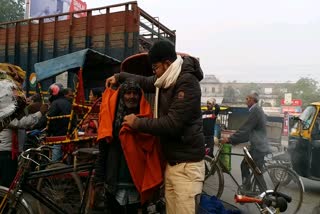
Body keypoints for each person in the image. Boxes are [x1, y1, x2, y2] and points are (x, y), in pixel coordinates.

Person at [106, 41, 205, 214]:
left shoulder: (187, 82)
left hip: (186, 166)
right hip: (172, 163)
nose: (154, 72)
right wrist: (120, 76)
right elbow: (144, 81)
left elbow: (173, 123)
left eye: (155, 67)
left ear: (167, 64)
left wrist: (137, 123)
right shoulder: (165, 79)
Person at [96, 79, 163, 213]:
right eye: (128, 93)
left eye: (135, 93)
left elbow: (152, 149)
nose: (132, 97)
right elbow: (103, 150)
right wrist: (98, 179)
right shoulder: (111, 119)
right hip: (114, 178)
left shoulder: (146, 120)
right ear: (121, 96)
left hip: (136, 181)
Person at [222, 92, 271, 191]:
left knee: (251, 169)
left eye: (247, 99)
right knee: (252, 169)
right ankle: (253, 191)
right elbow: (249, 131)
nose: (246, 101)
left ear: (253, 100)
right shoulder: (257, 110)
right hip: (258, 145)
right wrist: (235, 139)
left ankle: (255, 192)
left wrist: (230, 139)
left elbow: (246, 129)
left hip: (259, 147)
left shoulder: (256, 110)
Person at [0, 107, 47, 187]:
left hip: (9, 151)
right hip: (5, 152)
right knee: (7, 183)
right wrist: (39, 113)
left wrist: (28, 110)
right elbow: (19, 122)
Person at [35, 83, 72, 161]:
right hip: (68, 133)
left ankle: (53, 167)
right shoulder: (68, 102)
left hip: (58, 134)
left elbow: (47, 117)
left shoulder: (56, 103)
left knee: (54, 157)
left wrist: (35, 126)